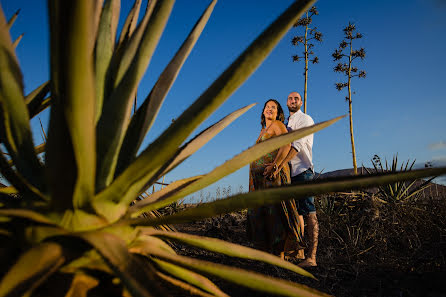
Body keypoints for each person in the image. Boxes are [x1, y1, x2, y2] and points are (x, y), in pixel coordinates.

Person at [247, 99, 303, 259]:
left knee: (276, 214)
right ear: (263, 111)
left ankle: (280, 256)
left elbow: (286, 144)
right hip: (260, 180)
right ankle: (268, 255)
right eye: (267, 107)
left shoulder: (278, 125)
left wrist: (276, 165)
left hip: (273, 176)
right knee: (265, 213)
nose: (269, 109)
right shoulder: (263, 130)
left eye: (274, 107)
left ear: (278, 113)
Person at [275, 91, 318, 267]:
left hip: (303, 172)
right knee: (296, 214)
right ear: (287, 102)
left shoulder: (305, 119)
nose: (293, 101)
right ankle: (299, 253)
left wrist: (279, 165)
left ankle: (312, 257)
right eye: (290, 98)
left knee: (310, 213)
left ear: (301, 102)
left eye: (296, 98)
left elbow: (297, 146)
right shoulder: (287, 123)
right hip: (289, 175)